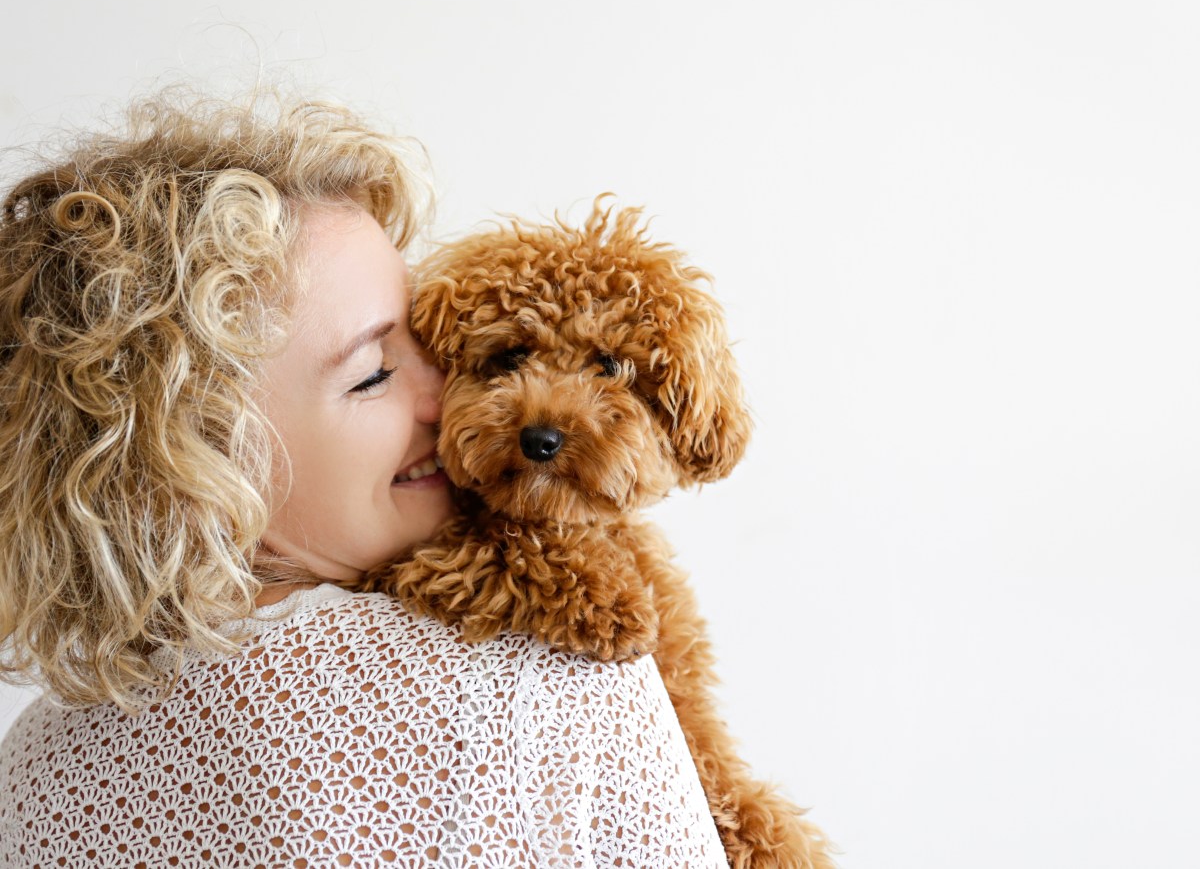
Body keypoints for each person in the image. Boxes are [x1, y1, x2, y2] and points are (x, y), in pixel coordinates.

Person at [0, 91, 726, 867]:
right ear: (191, 464)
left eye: (433, 344)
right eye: (374, 373)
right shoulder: (549, 679)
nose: (449, 397)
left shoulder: (31, 771)